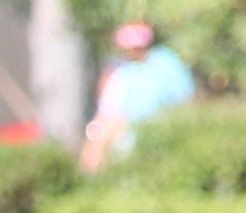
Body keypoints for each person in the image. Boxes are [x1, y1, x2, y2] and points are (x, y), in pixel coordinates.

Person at [81, 18, 195, 169]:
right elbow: (107, 110)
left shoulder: (164, 64)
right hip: (122, 132)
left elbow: (184, 98)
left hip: (154, 131)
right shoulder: (120, 70)